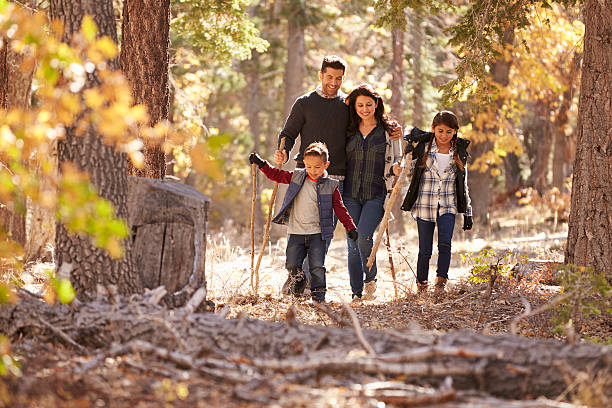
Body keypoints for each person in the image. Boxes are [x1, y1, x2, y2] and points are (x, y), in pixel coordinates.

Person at [274, 55, 402, 295]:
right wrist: (282, 150)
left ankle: (306, 281)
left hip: (337, 180)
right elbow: (288, 133)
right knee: (302, 230)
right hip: (306, 176)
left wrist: (393, 129)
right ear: (320, 75)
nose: (334, 82)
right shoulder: (304, 103)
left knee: (325, 233)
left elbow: (370, 121)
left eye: (339, 78)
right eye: (330, 77)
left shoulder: (347, 105)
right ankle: (296, 276)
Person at [249, 142, 358, 303]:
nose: (312, 171)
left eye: (317, 167)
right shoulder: (297, 177)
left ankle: (319, 297)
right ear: (304, 164)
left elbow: (339, 207)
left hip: (318, 234)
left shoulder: (331, 185)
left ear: (326, 165)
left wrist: (350, 226)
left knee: (317, 267)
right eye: (308, 167)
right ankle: (299, 281)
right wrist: (261, 164)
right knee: (291, 264)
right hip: (296, 232)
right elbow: (276, 175)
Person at [400, 111, 473, 299]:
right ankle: (421, 284)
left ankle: (441, 282)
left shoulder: (459, 152)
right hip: (425, 204)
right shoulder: (424, 147)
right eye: (440, 131)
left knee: (445, 244)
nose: (444, 135)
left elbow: (463, 183)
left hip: (448, 205)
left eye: (449, 132)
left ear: (455, 132)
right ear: (433, 129)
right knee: (425, 249)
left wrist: (468, 212)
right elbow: (408, 170)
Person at [343, 84, 402, 302]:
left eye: (369, 104)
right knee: (352, 243)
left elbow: (399, 158)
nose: (365, 109)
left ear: (376, 104)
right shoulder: (348, 129)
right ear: (355, 107)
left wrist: (397, 167)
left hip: (376, 194)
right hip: (349, 194)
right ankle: (356, 292)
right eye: (360, 105)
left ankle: (370, 279)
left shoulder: (389, 131)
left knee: (364, 236)